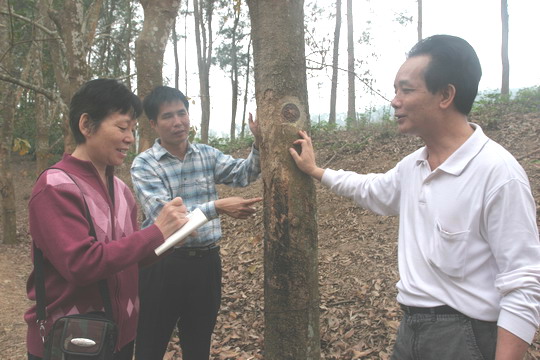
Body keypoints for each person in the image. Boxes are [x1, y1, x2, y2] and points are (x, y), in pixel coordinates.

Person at [290, 35, 540, 359]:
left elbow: (523, 282)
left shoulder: (497, 173)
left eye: (406, 90)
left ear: (446, 95)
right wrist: (316, 170)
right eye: (396, 90)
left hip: (465, 338)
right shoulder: (414, 166)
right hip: (411, 331)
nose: (395, 100)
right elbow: (371, 190)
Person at [24, 79, 189, 360]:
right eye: (122, 127)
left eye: (133, 130)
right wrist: (155, 231)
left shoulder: (122, 191)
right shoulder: (55, 186)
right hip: (70, 339)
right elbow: (82, 264)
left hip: (119, 336)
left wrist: (170, 238)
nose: (130, 138)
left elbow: (126, 257)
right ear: (86, 125)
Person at [130, 85, 262, 360]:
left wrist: (260, 143)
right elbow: (166, 219)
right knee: (150, 345)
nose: (178, 122)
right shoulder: (144, 165)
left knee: (198, 344)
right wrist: (217, 207)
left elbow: (243, 174)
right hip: (162, 265)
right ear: (153, 123)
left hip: (206, 264)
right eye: (168, 116)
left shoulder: (206, 155)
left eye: (182, 113)